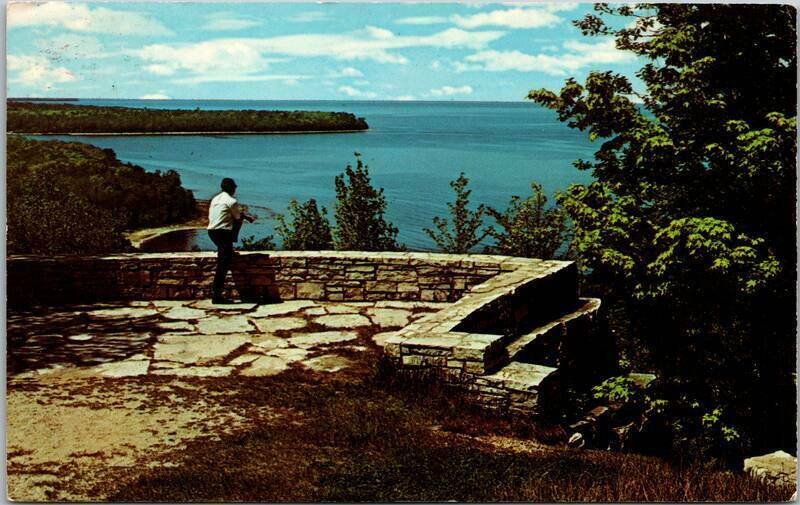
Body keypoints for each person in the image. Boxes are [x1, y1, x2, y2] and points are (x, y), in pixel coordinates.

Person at [207, 177, 254, 304]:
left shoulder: (215, 199)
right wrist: (246, 216)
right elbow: (238, 217)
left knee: (224, 255)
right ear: (232, 188)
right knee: (223, 264)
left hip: (212, 231)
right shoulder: (232, 201)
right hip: (224, 233)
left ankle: (228, 249)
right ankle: (216, 295)